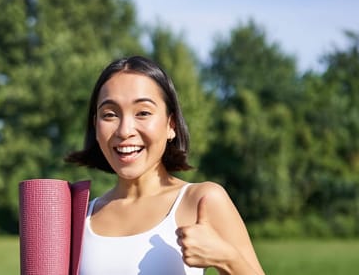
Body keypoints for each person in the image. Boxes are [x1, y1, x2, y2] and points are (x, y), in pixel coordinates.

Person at [65, 56, 265, 275]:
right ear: (95, 125)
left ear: (171, 125)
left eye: (143, 113)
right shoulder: (79, 218)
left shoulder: (202, 201)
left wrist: (227, 259)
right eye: (110, 114)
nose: (124, 130)